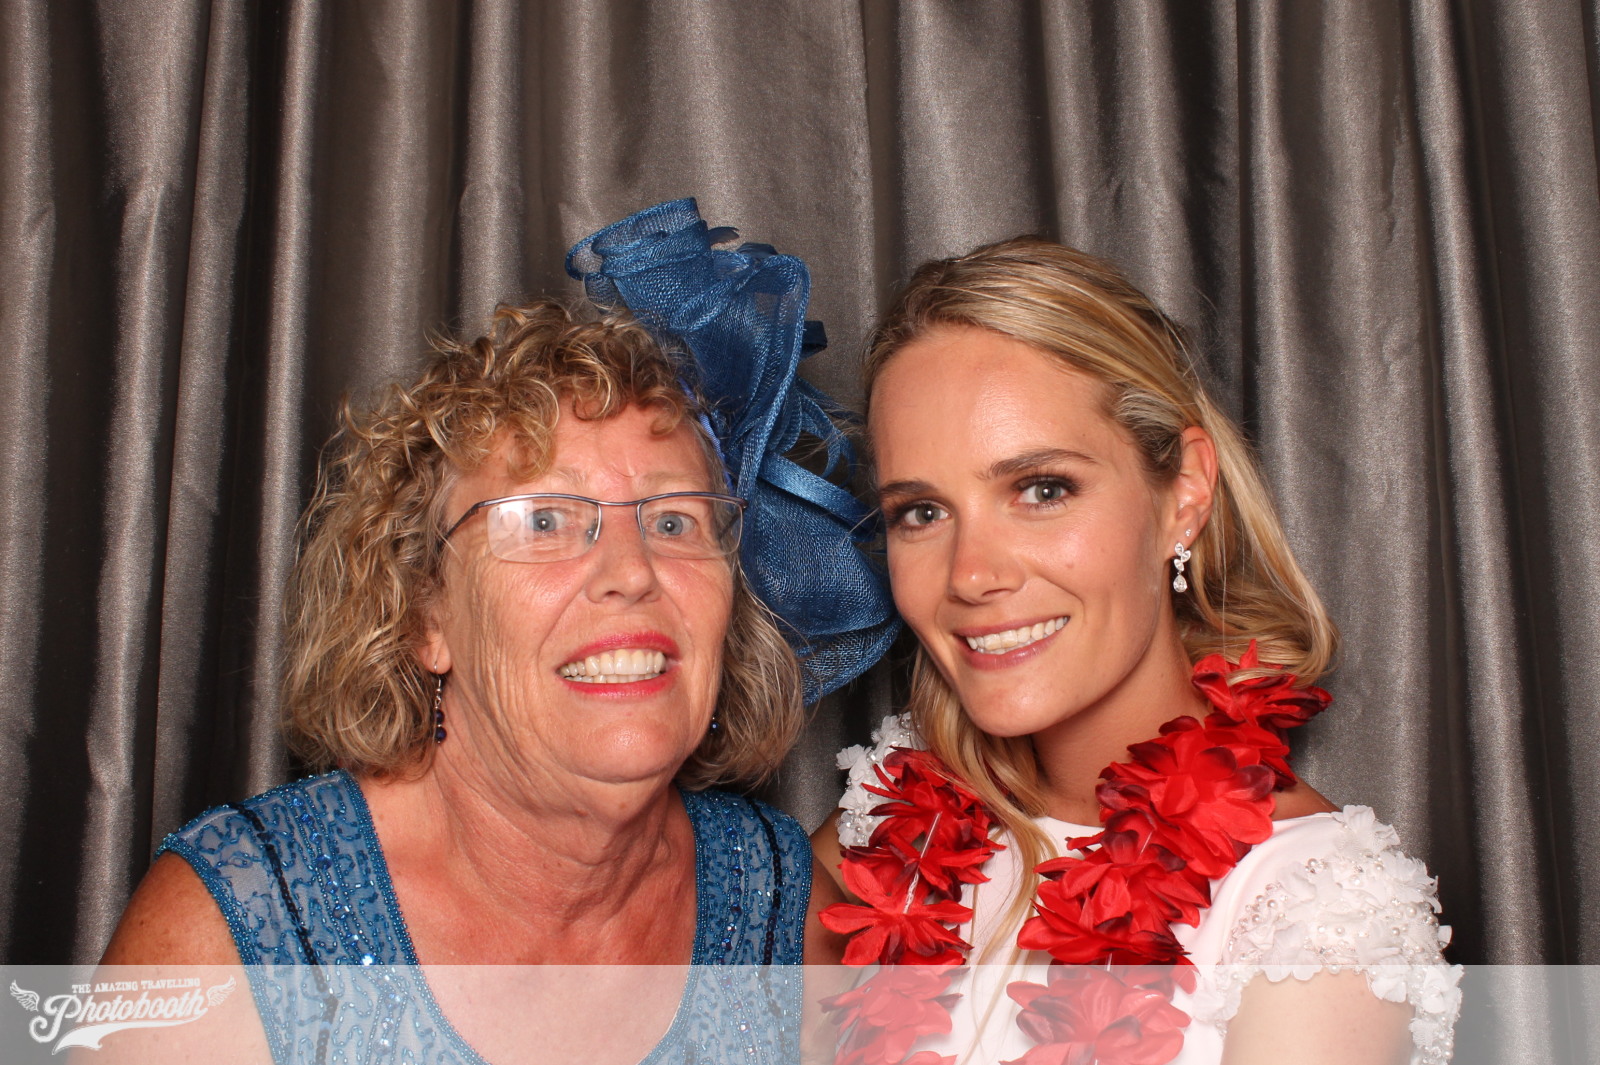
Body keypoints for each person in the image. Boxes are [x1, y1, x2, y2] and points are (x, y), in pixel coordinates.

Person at [99, 285, 861, 1063]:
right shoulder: (228, 936)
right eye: (545, 520)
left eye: (673, 520)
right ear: (424, 613)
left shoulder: (785, 913)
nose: (632, 571)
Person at [812, 238, 1460, 1065]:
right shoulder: (895, 814)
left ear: (1184, 492)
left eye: (1042, 489)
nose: (971, 574)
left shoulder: (1317, 916)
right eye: (922, 512)